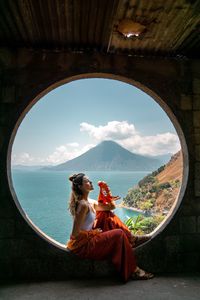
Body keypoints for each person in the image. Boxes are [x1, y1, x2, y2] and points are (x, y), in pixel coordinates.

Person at [66, 173, 154, 282]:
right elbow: (75, 234)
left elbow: (111, 207)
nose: (91, 182)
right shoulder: (82, 205)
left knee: (105, 214)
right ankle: (134, 270)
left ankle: (132, 239)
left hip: (90, 237)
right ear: (80, 187)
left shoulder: (91, 202)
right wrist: (93, 233)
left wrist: (106, 191)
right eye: (87, 181)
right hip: (83, 245)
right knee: (118, 234)